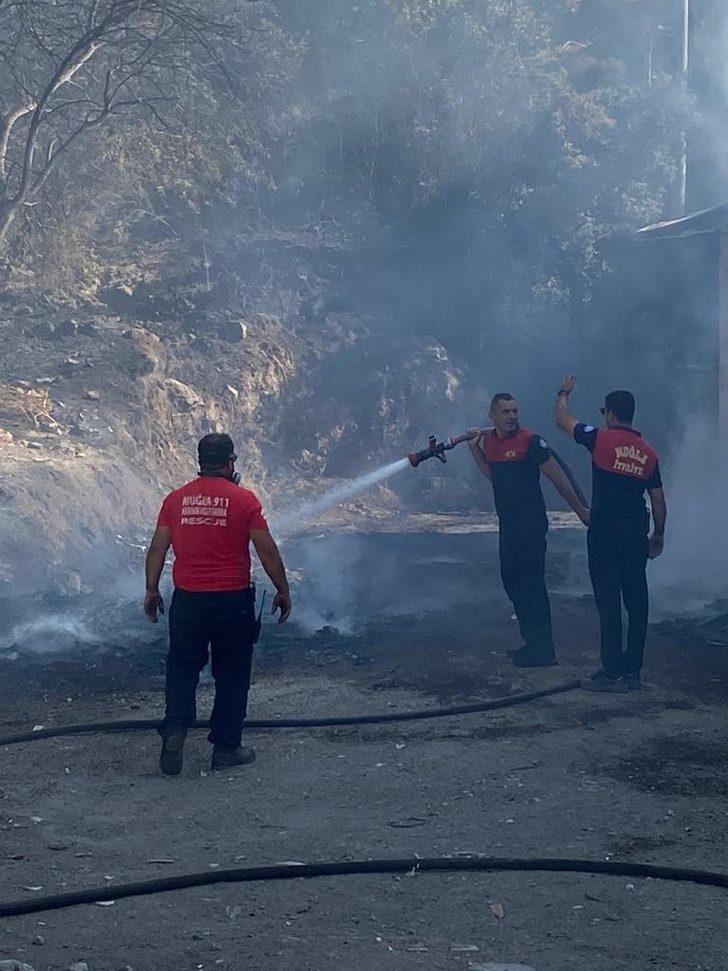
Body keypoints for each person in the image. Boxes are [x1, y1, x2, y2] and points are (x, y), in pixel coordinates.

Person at [144, 433, 291, 775]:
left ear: (200, 462)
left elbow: (157, 548)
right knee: (232, 673)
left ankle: (175, 728)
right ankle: (226, 749)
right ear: (230, 462)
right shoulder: (244, 500)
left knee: (182, 667)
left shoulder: (176, 500)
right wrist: (282, 589)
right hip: (232, 600)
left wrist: (151, 590)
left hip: (188, 600)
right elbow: (266, 549)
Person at [555, 375, 666, 692]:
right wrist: (658, 536)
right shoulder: (649, 453)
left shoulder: (600, 439)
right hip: (635, 536)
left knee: (608, 603)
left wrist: (564, 392)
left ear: (611, 414)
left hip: (604, 534)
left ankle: (612, 672)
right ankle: (633, 671)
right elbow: (658, 501)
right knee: (637, 601)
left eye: (604, 411)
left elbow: (562, 419)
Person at [468, 393, 590, 667]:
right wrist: (474, 449)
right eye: (506, 412)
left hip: (531, 524)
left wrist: (581, 511)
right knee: (511, 581)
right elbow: (493, 476)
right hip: (508, 525)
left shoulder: (531, 442)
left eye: (515, 411)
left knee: (532, 585)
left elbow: (558, 478)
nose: (512, 416)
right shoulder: (490, 442)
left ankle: (543, 650)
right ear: (492, 416)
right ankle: (530, 642)